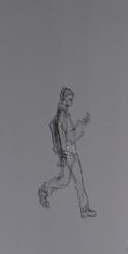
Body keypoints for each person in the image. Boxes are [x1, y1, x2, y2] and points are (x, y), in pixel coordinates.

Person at [37, 87, 96, 219]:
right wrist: (83, 124)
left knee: (68, 180)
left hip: (68, 153)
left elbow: (68, 135)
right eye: (70, 99)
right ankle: (84, 210)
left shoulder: (63, 114)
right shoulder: (63, 116)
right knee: (73, 181)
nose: (71, 102)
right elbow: (71, 137)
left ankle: (44, 190)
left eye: (72, 99)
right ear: (64, 99)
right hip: (69, 154)